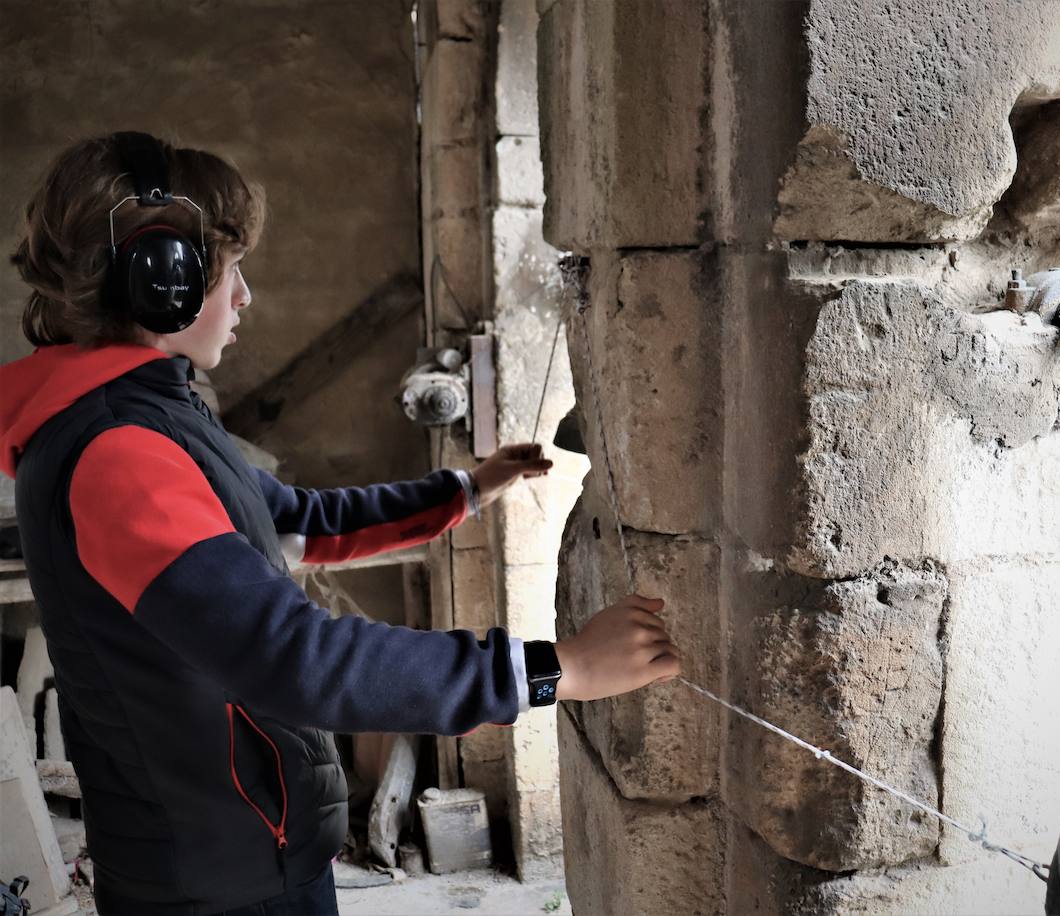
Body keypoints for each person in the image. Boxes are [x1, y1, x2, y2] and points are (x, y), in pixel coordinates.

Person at [0, 132, 681, 916]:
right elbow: (297, 660)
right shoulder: (119, 453)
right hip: (220, 881)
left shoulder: (150, 416)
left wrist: (466, 490)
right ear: (163, 283)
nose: (246, 297)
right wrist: (554, 668)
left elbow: (295, 521)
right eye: (231, 272)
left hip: (238, 854)